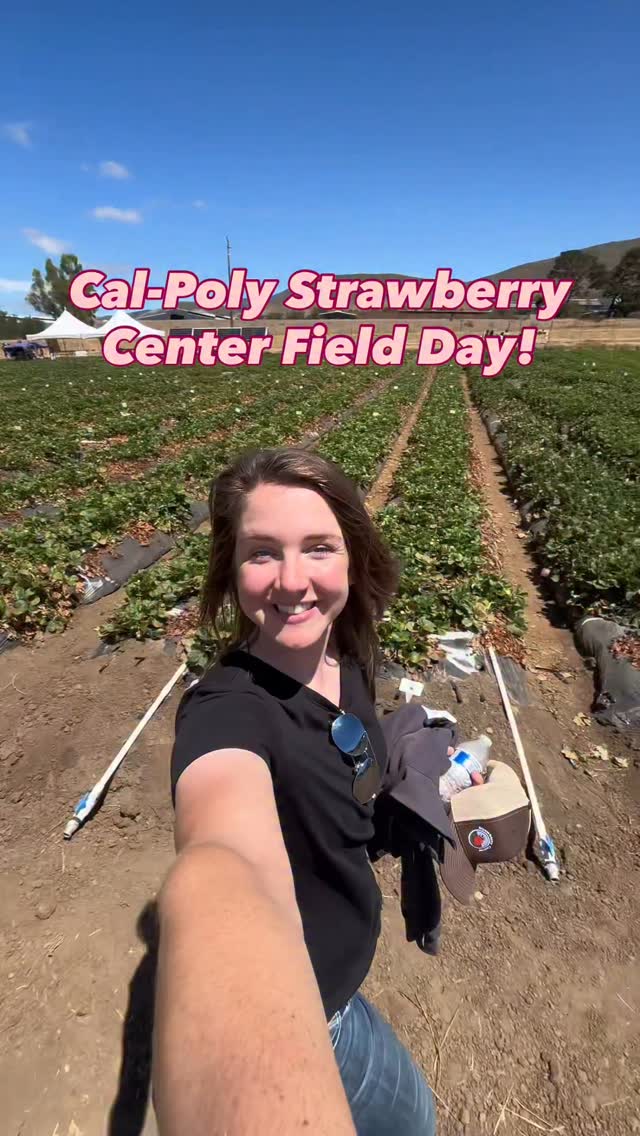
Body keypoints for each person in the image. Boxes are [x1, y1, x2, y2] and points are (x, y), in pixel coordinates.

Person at [152, 446, 437, 1136]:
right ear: (231, 569)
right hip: (316, 1012)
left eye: (317, 547)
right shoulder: (229, 712)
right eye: (261, 553)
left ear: (353, 558)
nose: (291, 580)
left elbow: (347, 776)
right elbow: (225, 857)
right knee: (415, 1122)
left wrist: (412, 797)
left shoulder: (344, 653)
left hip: (341, 970)